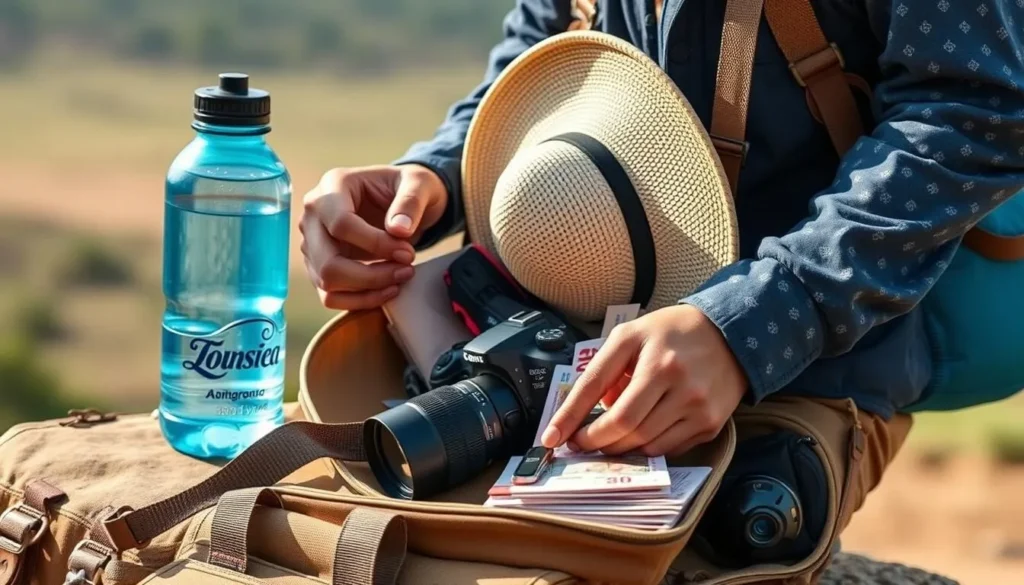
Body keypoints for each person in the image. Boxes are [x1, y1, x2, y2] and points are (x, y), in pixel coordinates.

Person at [299, 1, 1024, 460]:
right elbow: (547, 47)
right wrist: (438, 175)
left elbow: (973, 111)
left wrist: (755, 324)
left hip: (807, 367)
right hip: (554, 339)